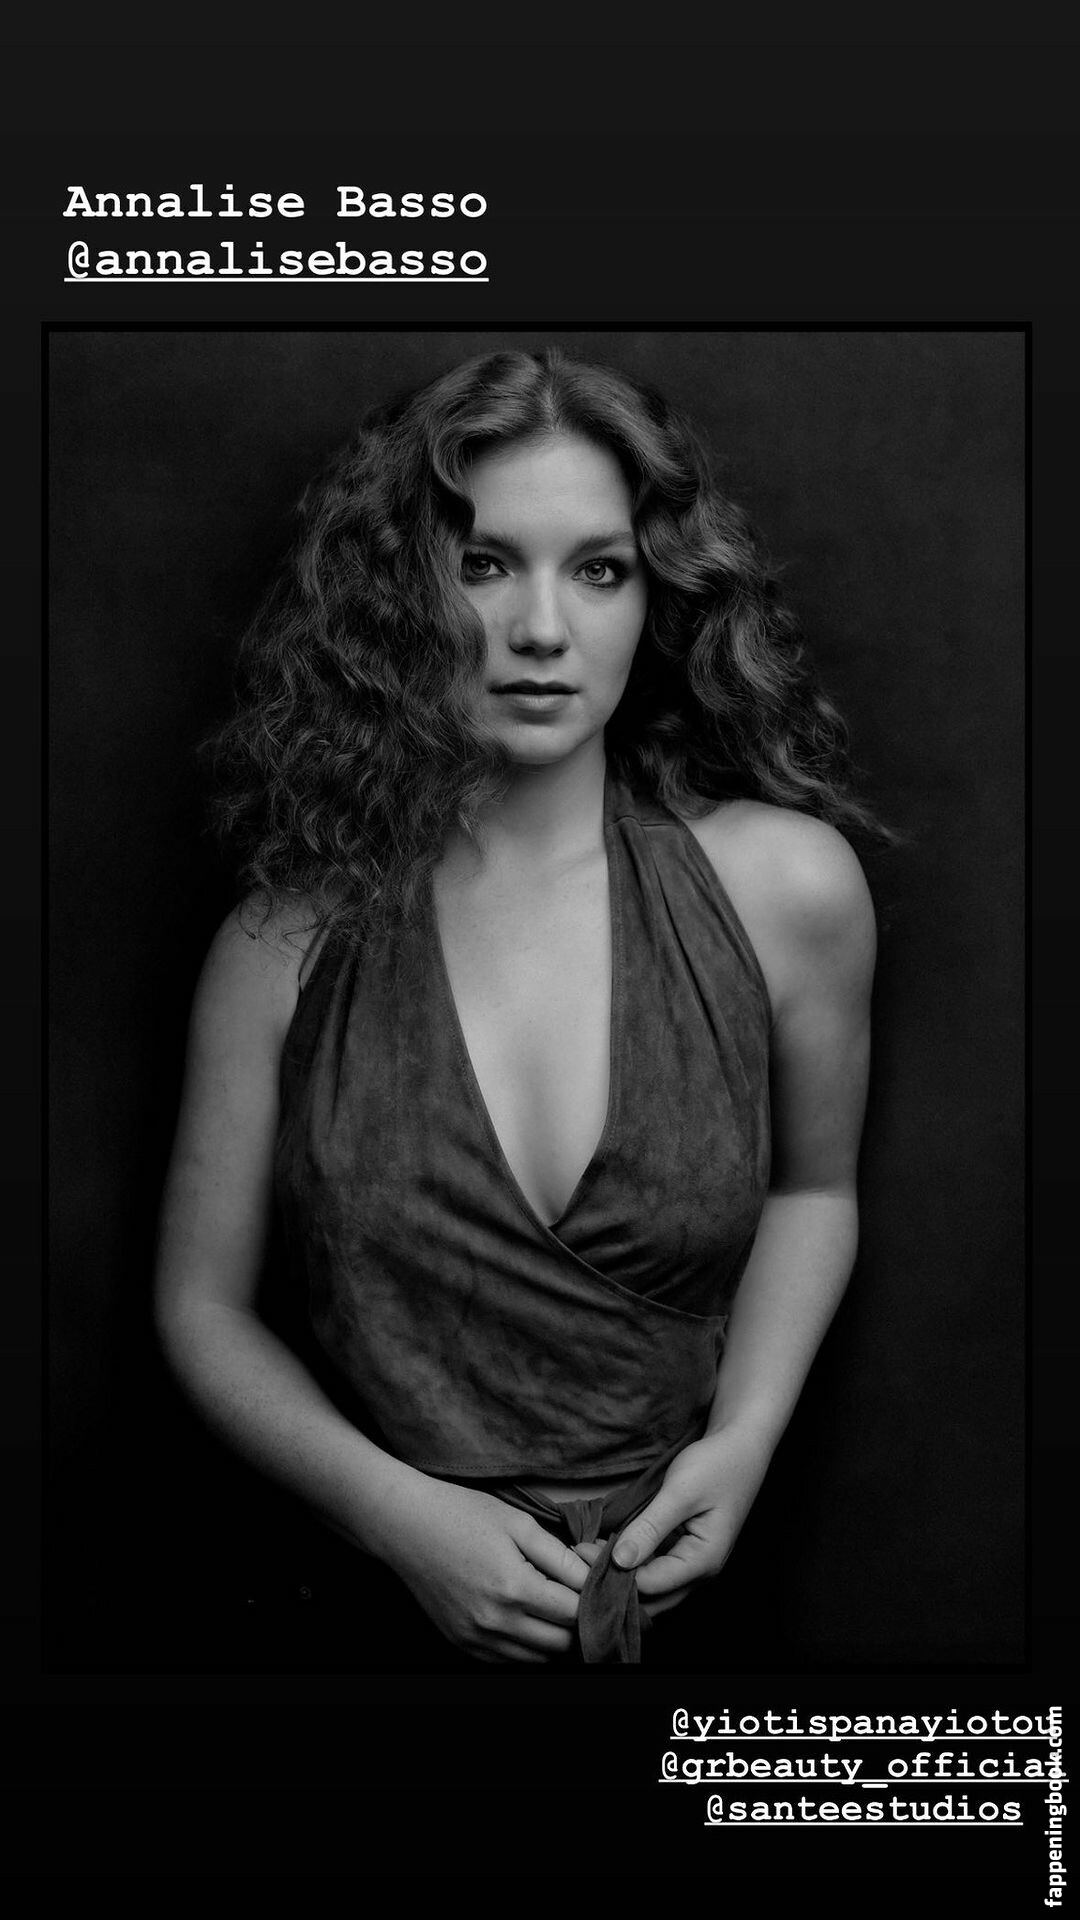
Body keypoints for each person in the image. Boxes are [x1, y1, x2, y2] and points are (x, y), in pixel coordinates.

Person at [154, 347, 879, 1668]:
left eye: (598, 569)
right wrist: (397, 1518)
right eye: (485, 563)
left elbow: (814, 1190)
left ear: (657, 593)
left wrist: (747, 1438)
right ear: (401, 591)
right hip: (356, 1628)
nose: (542, 628)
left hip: (699, 1630)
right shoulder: (282, 944)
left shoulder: (788, 889)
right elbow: (202, 1309)